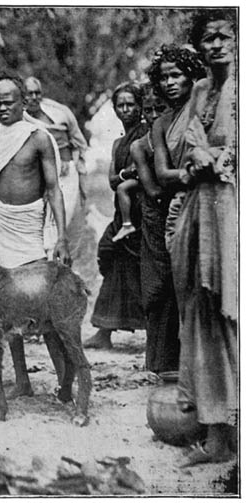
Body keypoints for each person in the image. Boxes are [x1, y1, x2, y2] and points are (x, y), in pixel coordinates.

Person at [0, 69, 71, 397]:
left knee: (45, 307)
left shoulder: (38, 137)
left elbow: (53, 189)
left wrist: (62, 236)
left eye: (9, 102)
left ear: (23, 103)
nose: (3, 108)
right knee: (7, 310)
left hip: (29, 229)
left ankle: (65, 382)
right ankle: (22, 381)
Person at [170, 10, 237, 467]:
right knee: (203, 311)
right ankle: (217, 437)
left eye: (224, 36)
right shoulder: (199, 90)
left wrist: (218, 157)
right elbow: (187, 141)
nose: (215, 45)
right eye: (207, 38)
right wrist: (202, 155)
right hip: (202, 209)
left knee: (236, 309)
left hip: (235, 209)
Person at [141, 46, 206, 373]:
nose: (169, 83)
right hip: (179, 206)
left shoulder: (205, 108)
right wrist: (189, 172)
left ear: (192, 75)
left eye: (176, 75)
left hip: (211, 199)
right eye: (163, 77)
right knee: (180, 284)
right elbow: (163, 172)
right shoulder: (162, 123)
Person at [83, 83, 147, 350]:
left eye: (130, 104)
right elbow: (112, 180)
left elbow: (142, 174)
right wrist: (125, 174)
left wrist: (125, 176)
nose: (125, 109)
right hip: (123, 214)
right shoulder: (119, 143)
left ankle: (155, 332)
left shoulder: (146, 134)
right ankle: (104, 330)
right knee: (109, 255)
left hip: (144, 211)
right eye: (120, 105)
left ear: (140, 106)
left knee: (142, 270)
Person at [130, 83, 178, 373]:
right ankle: (159, 361)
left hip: (175, 209)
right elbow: (152, 187)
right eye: (147, 109)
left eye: (159, 108)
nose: (152, 114)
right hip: (156, 215)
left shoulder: (177, 136)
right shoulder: (140, 146)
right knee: (158, 286)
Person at [23, 76, 89, 233]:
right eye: (29, 93)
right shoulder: (20, 118)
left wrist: (71, 160)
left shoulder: (59, 112)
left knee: (64, 215)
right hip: (37, 176)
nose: (34, 98)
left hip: (66, 173)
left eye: (37, 93)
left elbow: (78, 141)